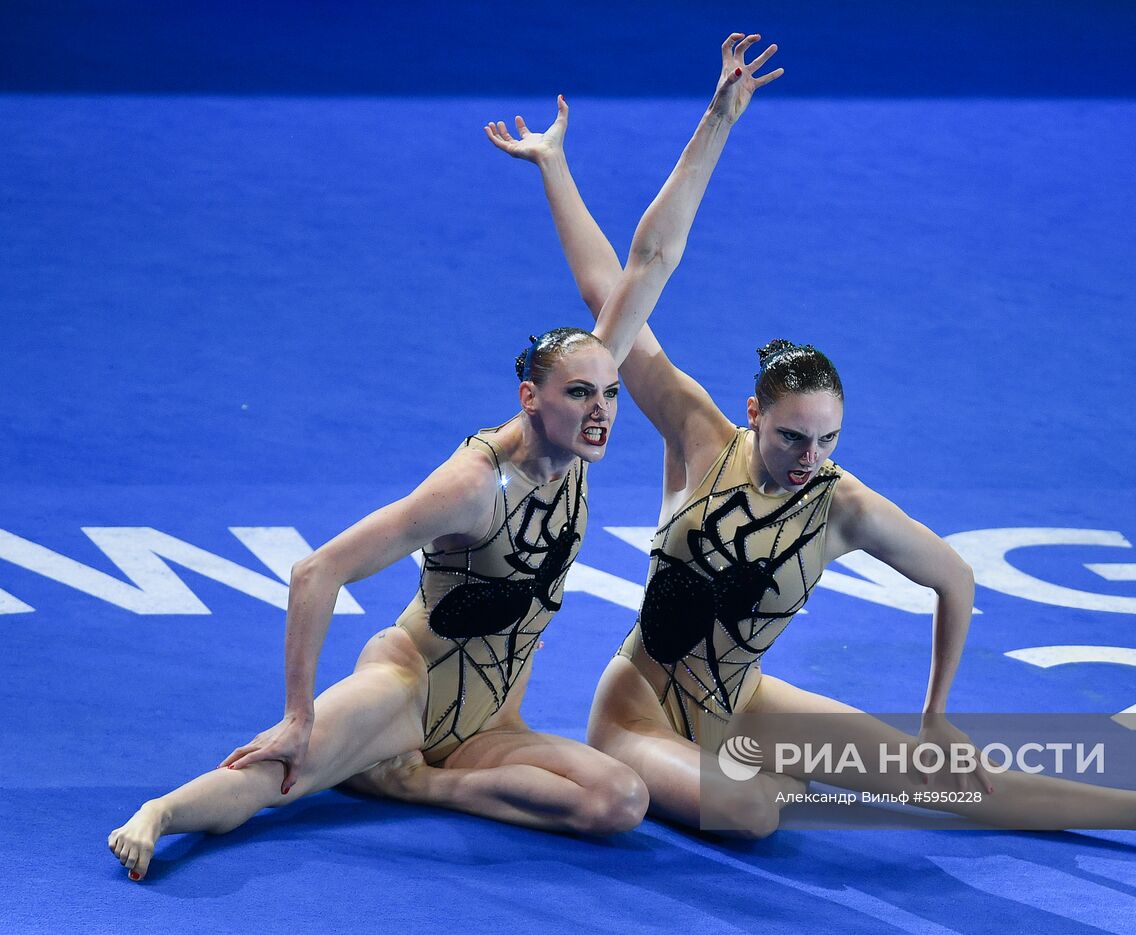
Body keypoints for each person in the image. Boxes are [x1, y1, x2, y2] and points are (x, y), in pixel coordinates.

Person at [437, 63, 1136, 867]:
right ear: (755, 414)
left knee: (942, 779)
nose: (811, 457)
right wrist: (564, 163)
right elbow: (614, 287)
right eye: (794, 437)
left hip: (744, 705)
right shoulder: (697, 435)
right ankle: (766, 781)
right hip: (637, 717)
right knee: (758, 809)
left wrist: (937, 713)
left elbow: (954, 579)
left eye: (827, 440)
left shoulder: (846, 506)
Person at [106, 32, 782, 882]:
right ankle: (168, 807)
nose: (604, 410)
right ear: (531, 398)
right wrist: (292, 713)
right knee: (286, 771)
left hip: (493, 717)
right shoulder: (473, 485)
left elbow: (642, 264)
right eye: (582, 395)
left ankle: (410, 786)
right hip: (409, 692)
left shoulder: (576, 436)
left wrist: (709, 122)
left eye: (608, 394)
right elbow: (317, 571)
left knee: (619, 801)